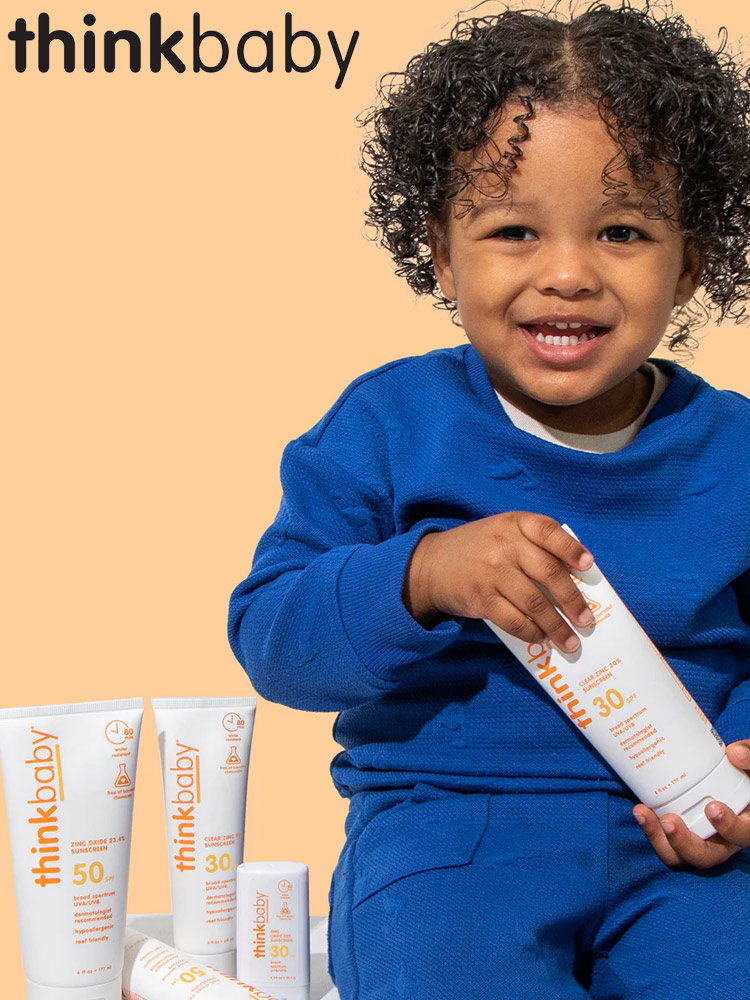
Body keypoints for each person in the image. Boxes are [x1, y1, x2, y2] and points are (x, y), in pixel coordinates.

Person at [228, 2, 750, 996]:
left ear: (690, 263)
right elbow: (273, 637)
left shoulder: (737, 449)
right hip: (449, 842)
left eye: (622, 230)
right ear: (440, 250)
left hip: (692, 850)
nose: (567, 273)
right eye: (513, 229)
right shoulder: (387, 427)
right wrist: (422, 574)